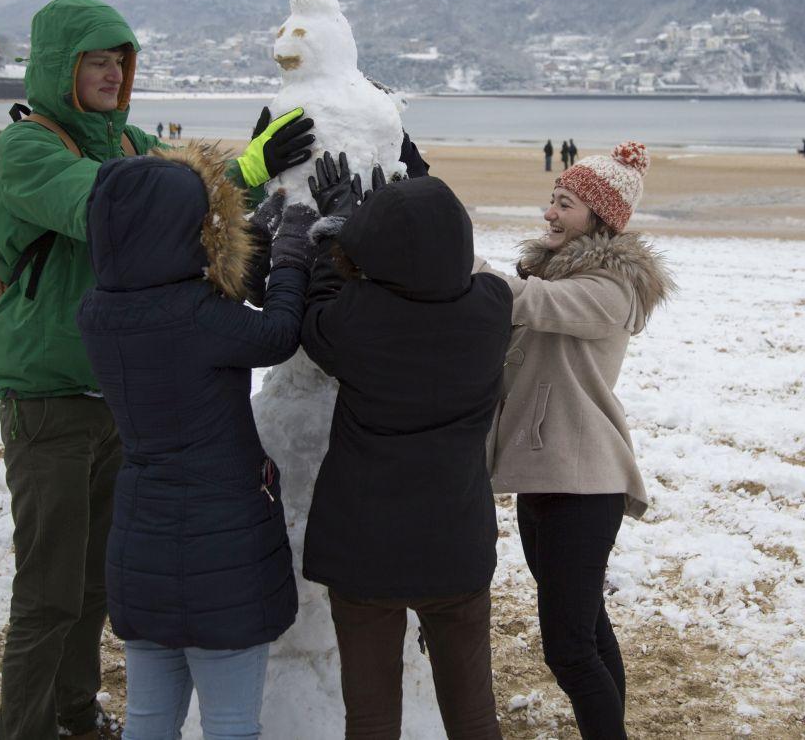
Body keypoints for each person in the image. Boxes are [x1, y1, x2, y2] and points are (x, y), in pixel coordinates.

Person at [0, 0, 314, 740]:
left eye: (118, 61)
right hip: (49, 394)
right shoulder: (29, 150)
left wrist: (243, 175)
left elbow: (178, 205)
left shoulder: (129, 144)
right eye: (93, 61)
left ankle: (75, 710)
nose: (108, 74)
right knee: (48, 588)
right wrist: (231, 176)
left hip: (124, 398)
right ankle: (24, 728)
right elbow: (118, 212)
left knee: (96, 580)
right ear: (57, 69)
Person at [77, 144, 317, 739]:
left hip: (142, 542)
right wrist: (288, 256)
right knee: (231, 724)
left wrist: (248, 236)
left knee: (149, 721)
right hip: (222, 546)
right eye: (207, 223)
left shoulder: (99, 311)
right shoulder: (199, 315)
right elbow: (278, 333)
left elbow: (186, 305)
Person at [298, 153, 512, 739]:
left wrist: (333, 232)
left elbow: (316, 314)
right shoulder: (493, 310)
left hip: (364, 549)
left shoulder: (357, 321)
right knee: (473, 716)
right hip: (456, 543)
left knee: (370, 720)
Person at [481, 142, 673, 738]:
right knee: (588, 630)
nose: (549, 213)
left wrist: (443, 258)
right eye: (551, 199)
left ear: (600, 217)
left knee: (568, 649)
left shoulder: (609, 290)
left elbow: (530, 304)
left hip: (583, 483)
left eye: (564, 204)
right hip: (550, 475)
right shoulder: (562, 271)